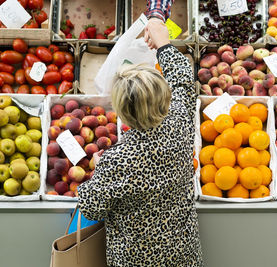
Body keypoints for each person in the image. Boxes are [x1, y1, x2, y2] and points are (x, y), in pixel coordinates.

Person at [77, 7, 202, 267]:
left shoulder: (117, 160)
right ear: (164, 97)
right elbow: (182, 80)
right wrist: (163, 43)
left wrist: (99, 168)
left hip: (134, 259)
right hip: (182, 253)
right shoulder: (180, 122)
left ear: (123, 112)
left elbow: (90, 207)